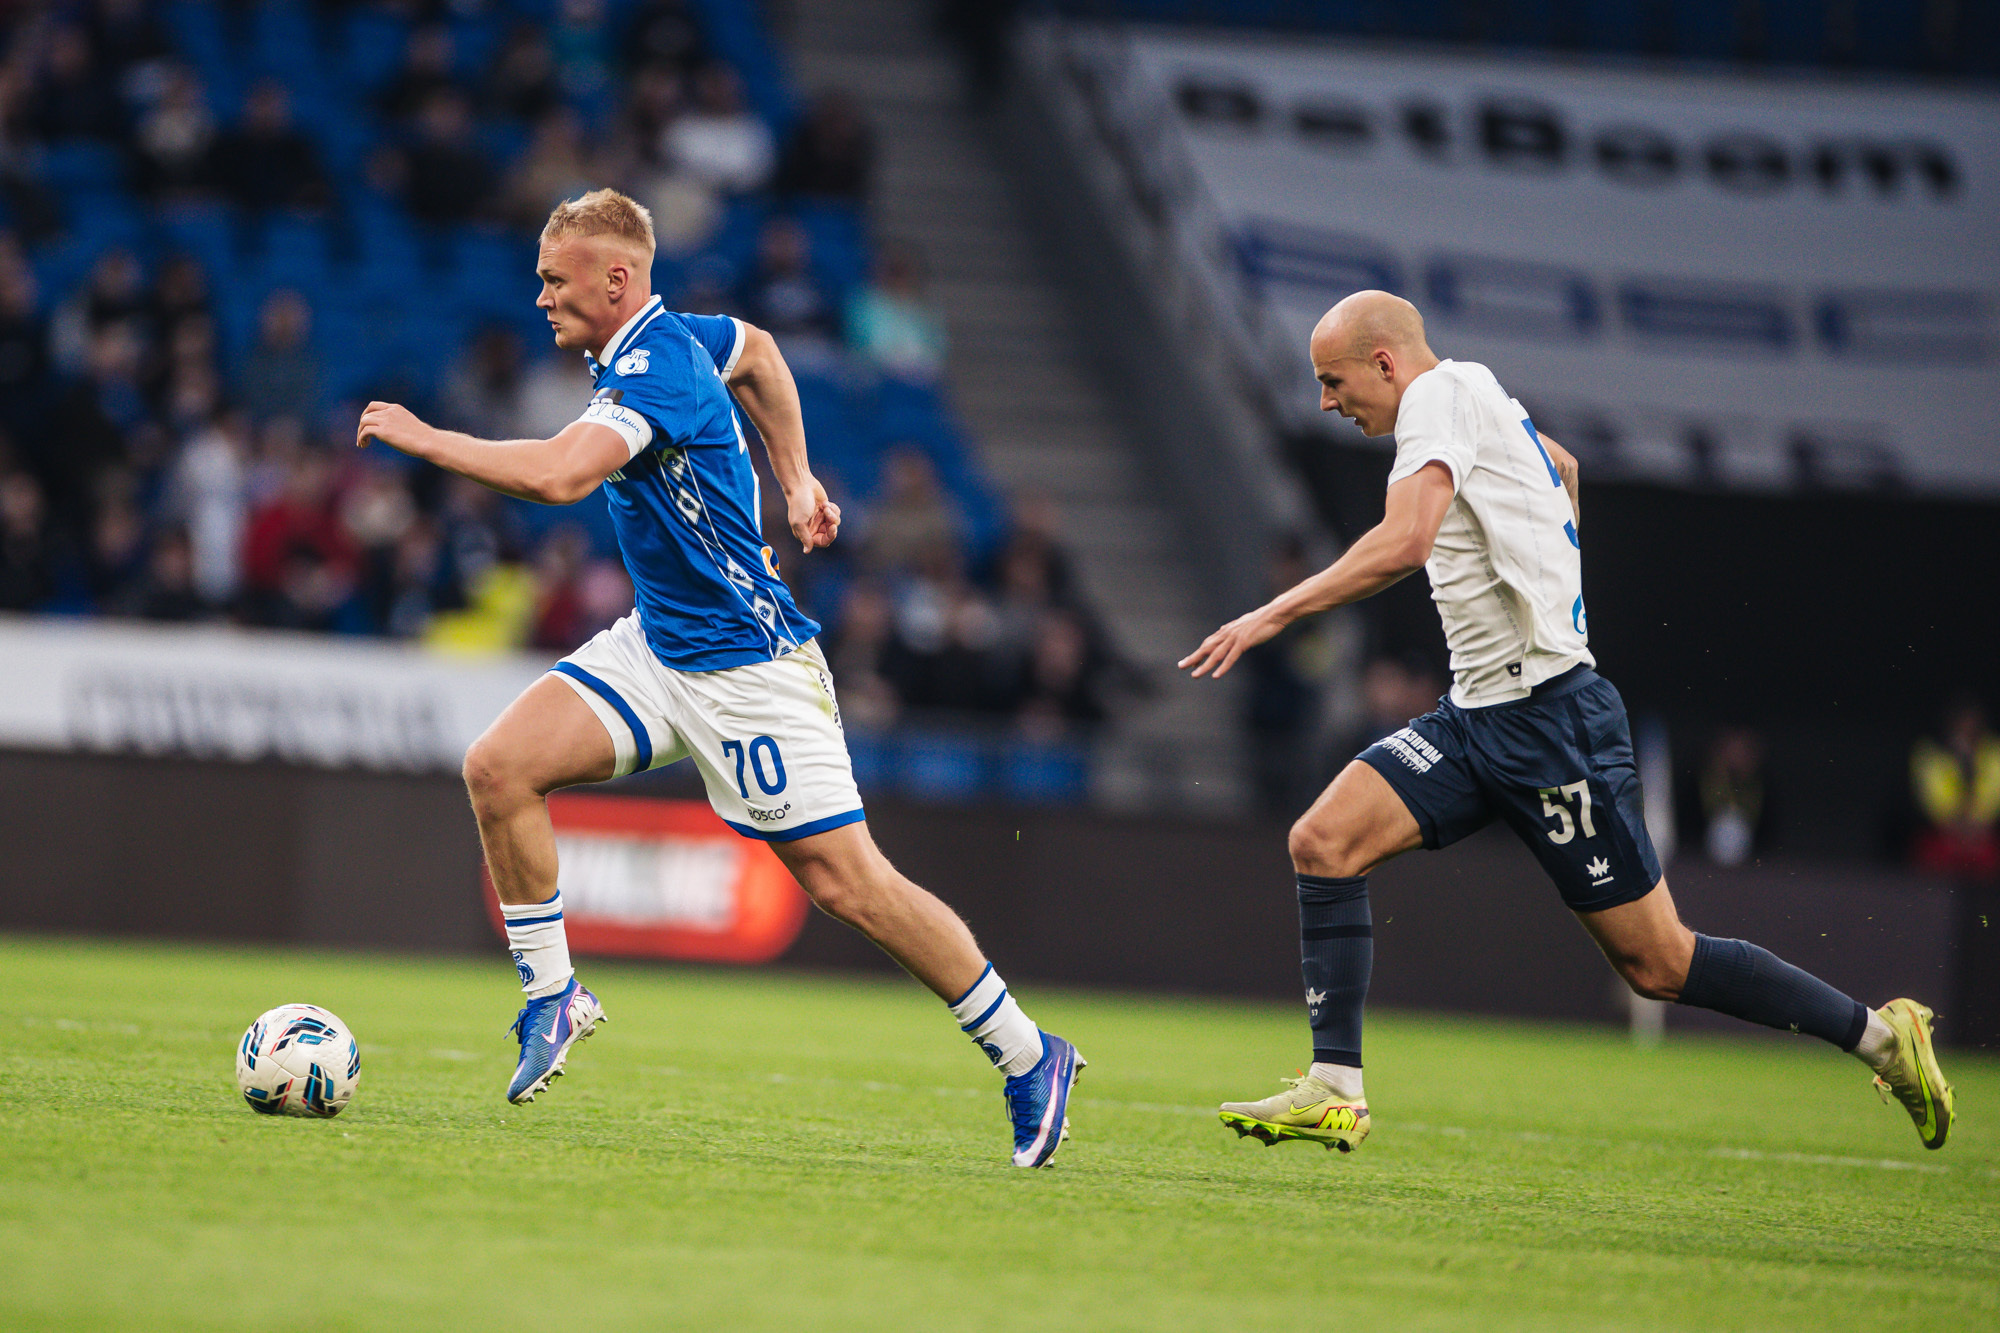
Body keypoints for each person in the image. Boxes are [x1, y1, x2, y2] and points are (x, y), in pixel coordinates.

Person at [354, 189, 1082, 1167]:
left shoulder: (655, 370)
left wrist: (425, 437)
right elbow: (766, 356)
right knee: (500, 766)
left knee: (850, 885)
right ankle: (552, 993)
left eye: (552, 280)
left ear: (615, 280)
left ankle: (1029, 1053)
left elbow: (561, 477)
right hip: (660, 644)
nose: (539, 298)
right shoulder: (677, 336)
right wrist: (797, 479)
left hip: (749, 669)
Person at [1178, 290, 1953, 1153]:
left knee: (1659, 963)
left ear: (1386, 364)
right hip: (1475, 719)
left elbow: (1404, 543)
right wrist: (1553, 590)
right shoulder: (1480, 393)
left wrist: (1274, 612)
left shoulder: (1435, 401)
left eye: (1333, 380)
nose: (1327, 400)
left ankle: (1884, 1038)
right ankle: (1335, 1086)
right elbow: (1565, 466)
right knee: (1322, 841)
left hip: (1553, 726)